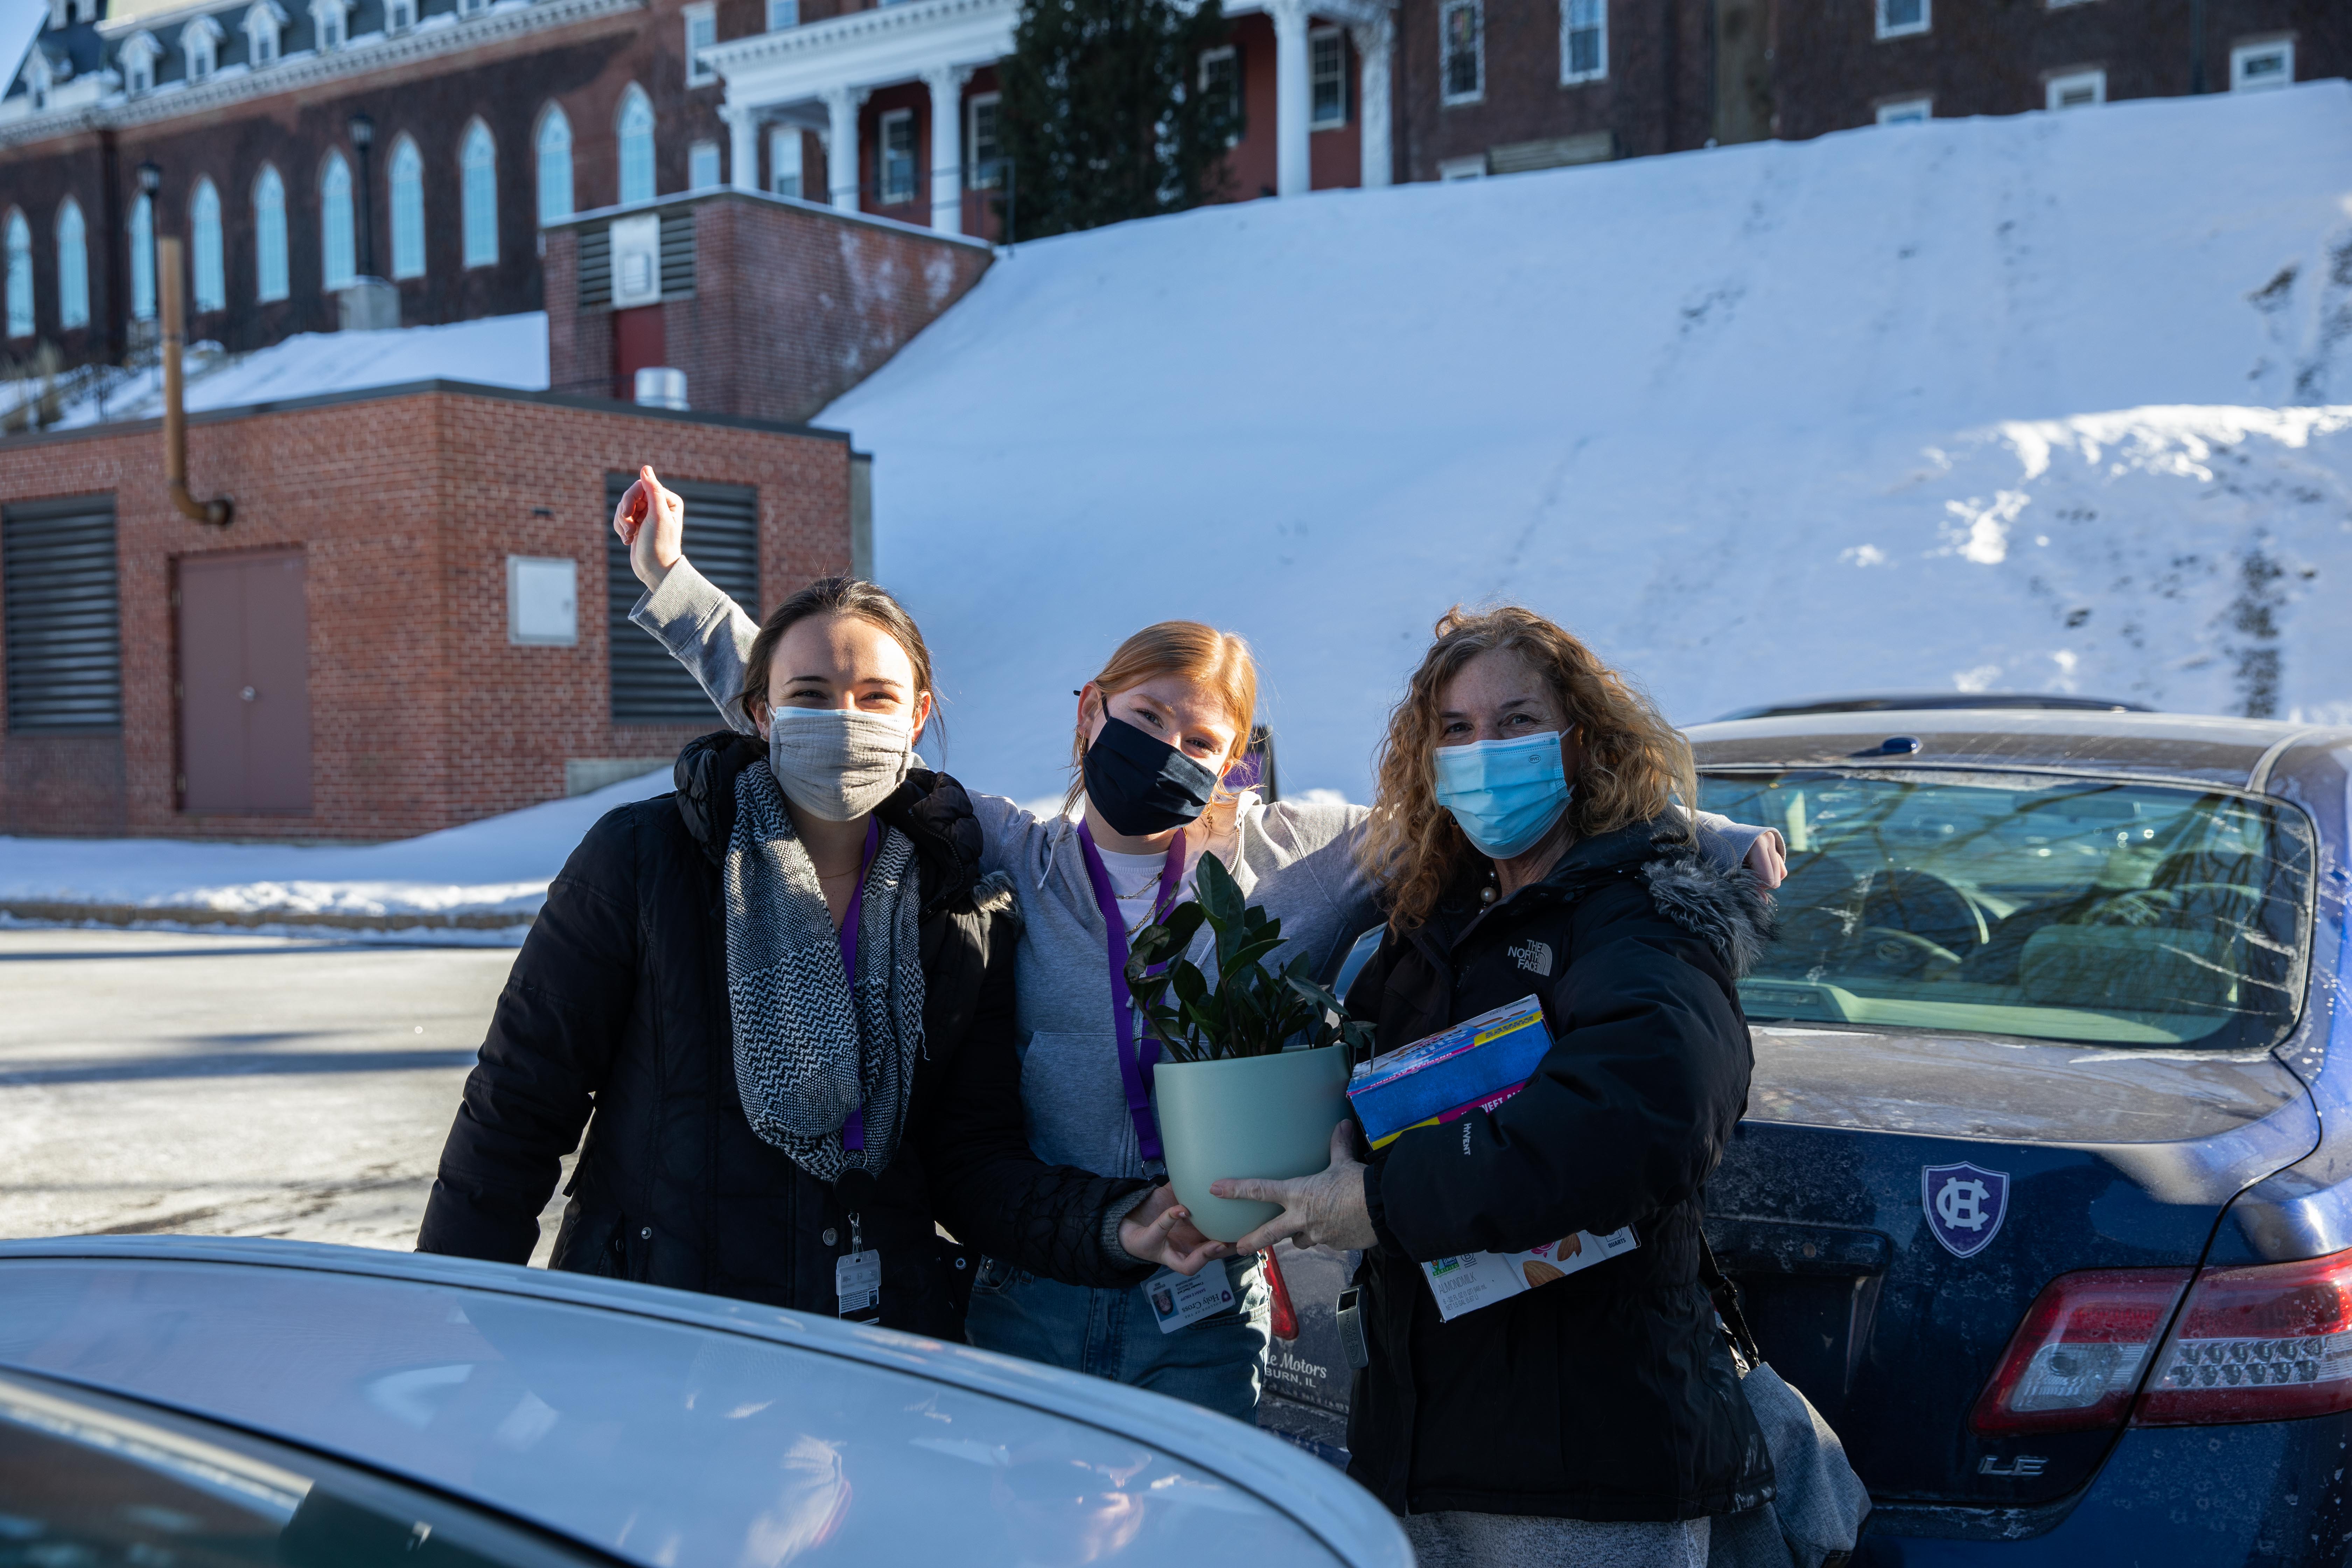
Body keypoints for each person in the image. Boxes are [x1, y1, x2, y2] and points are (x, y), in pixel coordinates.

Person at [619, 469, 1784, 1417]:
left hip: (1209, 1290)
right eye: (1147, 719)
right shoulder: (1009, 848)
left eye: (1203, 738)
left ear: (1237, 760)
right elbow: (834, 725)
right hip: (1041, 1281)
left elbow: (1490, 800)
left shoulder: (1299, 856)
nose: (1170, 749)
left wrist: (1715, 834)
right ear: (1092, 711)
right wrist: (675, 588)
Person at [415, 539, 1218, 1330]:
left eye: (876, 696)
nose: (845, 719)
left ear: (918, 716)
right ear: (761, 712)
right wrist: (445, 1320)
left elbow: (970, 1162)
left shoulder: (959, 909)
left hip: (875, 1354)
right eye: (810, 693)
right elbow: (517, 1108)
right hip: (662, 1343)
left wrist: (1114, 1223)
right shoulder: (646, 860)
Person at [1213, 604, 1778, 1567]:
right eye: (1457, 730)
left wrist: (1381, 1201)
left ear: (1583, 742)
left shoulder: (1637, 919)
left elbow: (1644, 1117)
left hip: (1586, 1467)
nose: (1485, 752)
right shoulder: (1437, 924)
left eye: (1517, 723)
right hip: (1426, 1444)